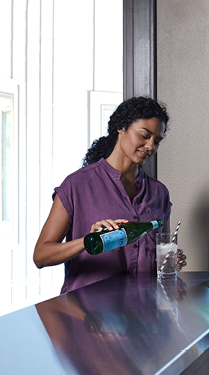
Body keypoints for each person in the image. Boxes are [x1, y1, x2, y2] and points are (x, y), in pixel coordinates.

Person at [33, 96, 186, 294]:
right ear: (121, 128)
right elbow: (41, 255)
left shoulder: (159, 193)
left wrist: (168, 261)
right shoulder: (77, 185)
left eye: (157, 141)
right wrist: (88, 241)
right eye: (144, 135)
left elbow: (154, 258)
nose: (150, 146)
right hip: (87, 315)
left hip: (144, 315)